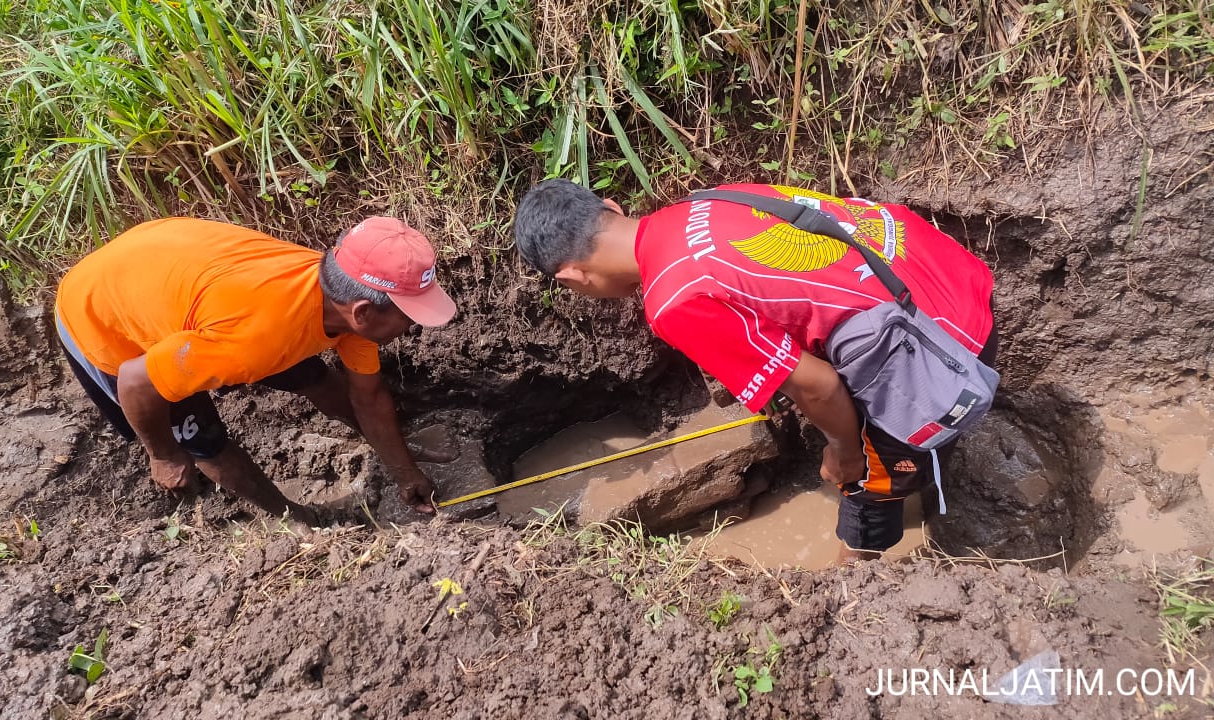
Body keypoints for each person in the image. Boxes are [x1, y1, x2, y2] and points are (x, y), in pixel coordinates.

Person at [513, 180, 996, 560]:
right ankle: (931, 477)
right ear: (613, 208)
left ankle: (858, 578)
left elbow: (820, 385)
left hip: (942, 353)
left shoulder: (672, 300)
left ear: (571, 278)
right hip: (946, 276)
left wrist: (845, 452)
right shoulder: (701, 203)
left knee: (869, 477)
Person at [54, 216, 457, 524]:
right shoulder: (250, 342)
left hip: (169, 271)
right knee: (202, 440)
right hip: (101, 316)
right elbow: (136, 381)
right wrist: (161, 452)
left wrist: (403, 469)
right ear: (363, 312)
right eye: (408, 315)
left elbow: (366, 396)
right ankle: (291, 517)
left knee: (314, 377)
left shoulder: (338, 299)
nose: (413, 325)